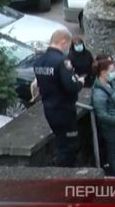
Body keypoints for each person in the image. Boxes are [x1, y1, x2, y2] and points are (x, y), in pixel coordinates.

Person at [34, 30, 83, 167]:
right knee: (70, 146)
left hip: (49, 108)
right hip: (64, 110)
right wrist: (80, 82)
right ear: (63, 41)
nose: (68, 48)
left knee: (62, 142)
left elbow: (40, 84)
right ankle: (62, 176)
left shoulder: (39, 61)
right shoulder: (62, 61)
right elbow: (71, 86)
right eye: (68, 44)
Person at [91, 57, 115, 176]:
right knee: (114, 152)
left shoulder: (111, 83)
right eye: (111, 70)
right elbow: (101, 114)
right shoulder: (98, 92)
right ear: (103, 72)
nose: (114, 73)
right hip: (111, 127)